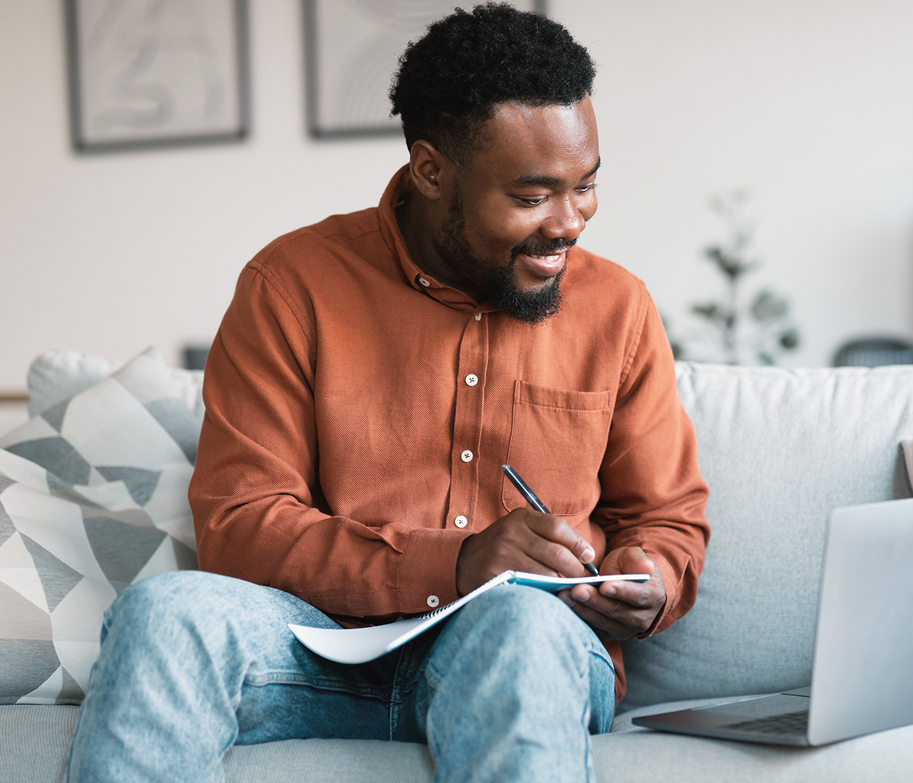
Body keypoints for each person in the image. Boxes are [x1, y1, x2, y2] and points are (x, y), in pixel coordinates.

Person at [65, 4, 709, 781]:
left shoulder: (619, 308)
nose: (570, 223)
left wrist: (651, 576)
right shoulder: (292, 286)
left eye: (587, 187)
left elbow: (667, 520)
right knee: (162, 614)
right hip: (324, 657)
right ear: (432, 171)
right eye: (533, 196)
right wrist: (458, 561)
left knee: (515, 622)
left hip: (525, 647)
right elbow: (241, 525)